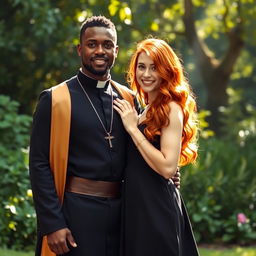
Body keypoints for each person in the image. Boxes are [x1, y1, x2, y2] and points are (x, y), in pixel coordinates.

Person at [29, 16, 180, 256]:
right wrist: (53, 224)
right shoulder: (56, 99)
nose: (100, 50)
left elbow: (146, 147)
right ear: (80, 49)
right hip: (76, 215)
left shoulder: (129, 99)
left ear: (116, 50)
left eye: (107, 45)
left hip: (125, 216)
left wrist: (170, 174)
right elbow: (39, 164)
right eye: (92, 44)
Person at [114, 38, 199, 256]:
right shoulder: (143, 110)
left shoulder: (171, 108)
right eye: (141, 67)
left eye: (154, 67)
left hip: (156, 208)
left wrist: (132, 129)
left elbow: (168, 168)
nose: (147, 74)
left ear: (166, 71)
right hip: (137, 206)